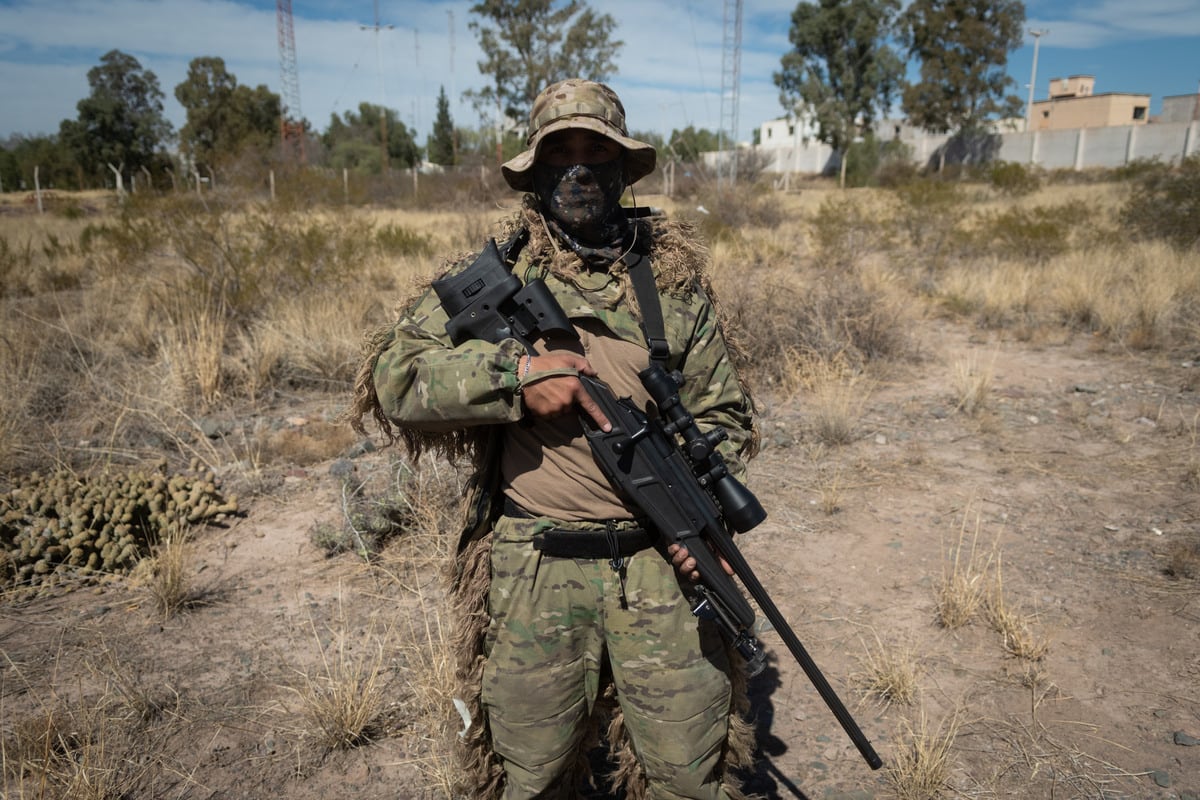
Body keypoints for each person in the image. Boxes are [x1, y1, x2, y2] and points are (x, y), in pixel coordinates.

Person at [350, 78, 759, 799]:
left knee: (691, 773)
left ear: (619, 167)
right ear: (534, 172)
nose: (577, 169)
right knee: (529, 774)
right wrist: (516, 377)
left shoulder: (674, 286)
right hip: (534, 569)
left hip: (660, 561)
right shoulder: (498, 277)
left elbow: (723, 416)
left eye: (594, 152)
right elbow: (395, 379)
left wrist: (703, 522)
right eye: (558, 152)